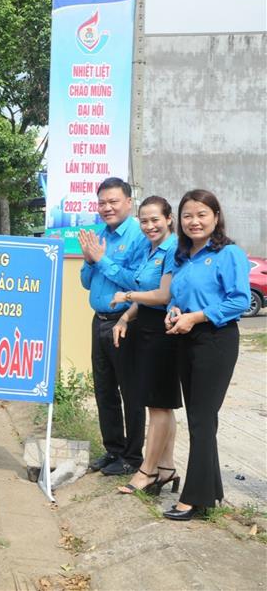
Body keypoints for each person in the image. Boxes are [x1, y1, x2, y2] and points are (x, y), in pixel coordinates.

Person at [162, 189, 249, 520]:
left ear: (216, 216)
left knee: (200, 419)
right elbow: (177, 297)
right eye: (187, 215)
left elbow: (239, 300)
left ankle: (193, 500)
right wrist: (174, 311)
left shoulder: (229, 254)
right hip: (186, 338)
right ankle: (211, 491)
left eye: (201, 214)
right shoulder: (183, 257)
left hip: (216, 339)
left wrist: (195, 317)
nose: (194, 221)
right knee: (201, 420)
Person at [110, 196, 182, 495]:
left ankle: (147, 472)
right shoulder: (151, 249)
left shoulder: (173, 249)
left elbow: (163, 295)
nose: (149, 225)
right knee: (161, 404)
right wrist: (125, 318)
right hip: (147, 329)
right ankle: (166, 467)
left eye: (155, 219)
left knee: (159, 406)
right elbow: (145, 297)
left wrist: (127, 297)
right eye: (144, 220)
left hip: (163, 334)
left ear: (168, 219)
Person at [78, 177, 148, 476]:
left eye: (113, 201)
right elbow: (85, 282)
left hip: (126, 322)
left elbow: (138, 284)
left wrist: (102, 260)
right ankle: (113, 450)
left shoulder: (139, 237)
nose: (107, 208)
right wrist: (91, 262)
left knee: (131, 392)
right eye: (102, 202)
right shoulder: (98, 234)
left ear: (128, 202)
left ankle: (133, 457)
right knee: (104, 390)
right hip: (100, 322)